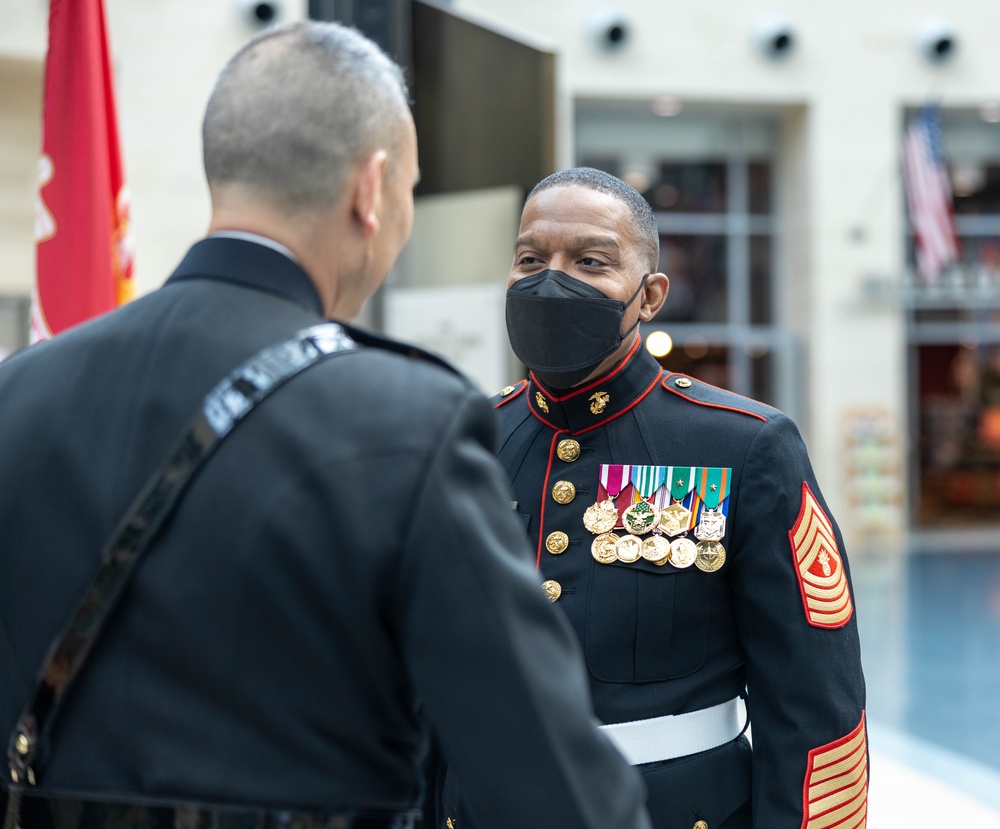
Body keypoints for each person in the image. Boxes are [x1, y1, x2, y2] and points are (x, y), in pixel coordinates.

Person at [0, 28, 652, 829]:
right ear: (372, 190)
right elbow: (557, 793)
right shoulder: (410, 419)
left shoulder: (16, 392)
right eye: (412, 190)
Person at [476, 167, 868, 829]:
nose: (552, 279)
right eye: (530, 259)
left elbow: (814, 706)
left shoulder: (743, 446)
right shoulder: (470, 441)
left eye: (591, 261)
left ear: (650, 294)